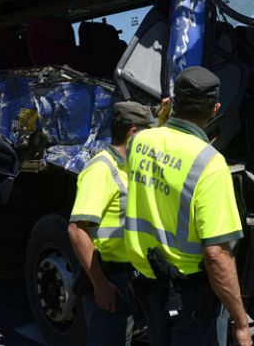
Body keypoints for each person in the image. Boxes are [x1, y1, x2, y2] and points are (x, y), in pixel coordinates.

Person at [123, 66, 252, 346]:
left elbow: (161, 153)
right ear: (215, 109)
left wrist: (162, 119)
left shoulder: (139, 142)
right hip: (187, 297)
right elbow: (216, 255)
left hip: (147, 282)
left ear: (173, 103)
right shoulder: (210, 164)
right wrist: (241, 323)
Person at [68, 101, 157, 346]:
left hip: (128, 277)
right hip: (109, 277)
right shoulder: (101, 170)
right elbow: (77, 230)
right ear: (134, 133)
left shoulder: (129, 166)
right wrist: (100, 284)